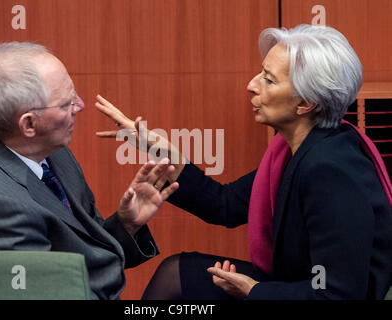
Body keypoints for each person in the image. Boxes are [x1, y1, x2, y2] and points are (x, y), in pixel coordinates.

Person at [94, 24, 392, 299]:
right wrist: (155, 147)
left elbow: (337, 293)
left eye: (268, 79)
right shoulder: (294, 151)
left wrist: (256, 292)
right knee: (177, 273)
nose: (251, 85)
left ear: (305, 103)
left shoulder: (330, 170)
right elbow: (224, 204)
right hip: (296, 286)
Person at [0, 42, 179, 300]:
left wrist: (125, 225)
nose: (80, 105)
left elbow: (80, 254)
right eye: (66, 103)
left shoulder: (47, 150)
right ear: (29, 124)